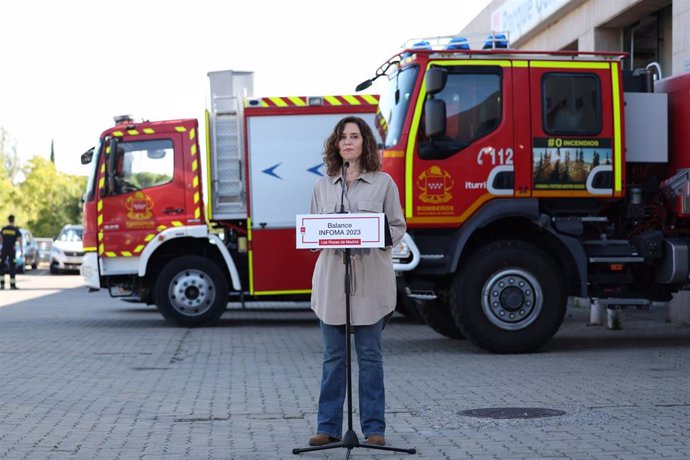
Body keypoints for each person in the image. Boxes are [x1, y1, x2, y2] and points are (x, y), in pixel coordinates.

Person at [307, 116, 406, 447]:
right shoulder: (322, 186)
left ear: (365, 142)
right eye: (342, 137)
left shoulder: (383, 183)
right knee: (333, 358)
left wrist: (371, 232)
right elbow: (313, 233)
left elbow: (397, 226)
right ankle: (328, 427)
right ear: (336, 145)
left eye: (354, 136)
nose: (348, 142)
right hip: (332, 280)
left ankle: (374, 428)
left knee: (369, 356)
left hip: (370, 281)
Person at [0, 214, 22, 290]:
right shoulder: (15, 230)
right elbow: (19, 240)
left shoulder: (4, 229)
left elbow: (1, 239)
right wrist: (21, 250)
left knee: (1, 266)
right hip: (11, 250)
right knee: (12, 267)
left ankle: (2, 284)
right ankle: (12, 285)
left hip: (4, 250)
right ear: (13, 220)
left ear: (8, 220)